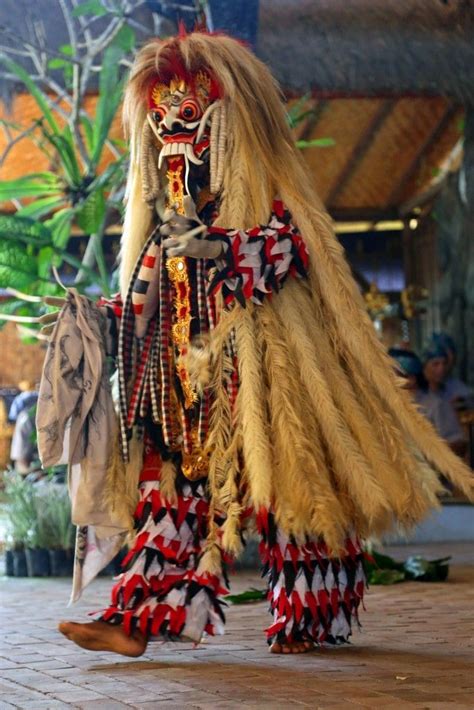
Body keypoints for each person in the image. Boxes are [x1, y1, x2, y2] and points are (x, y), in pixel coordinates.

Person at [37, 31, 473, 658]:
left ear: (223, 122)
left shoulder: (266, 201)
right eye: (161, 123)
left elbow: (286, 247)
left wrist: (217, 246)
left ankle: (312, 615)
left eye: (186, 117)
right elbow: (139, 310)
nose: (172, 136)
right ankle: (133, 621)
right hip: (187, 396)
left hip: (267, 390)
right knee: (173, 504)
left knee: (292, 505)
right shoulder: (164, 227)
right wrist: (87, 322)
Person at [389, 347, 467, 458]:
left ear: (411, 379)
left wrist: (426, 455)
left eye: (393, 375)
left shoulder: (436, 405)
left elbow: (459, 445)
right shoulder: (390, 405)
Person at [430, 332, 473, 406]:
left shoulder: (456, 386)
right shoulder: (417, 387)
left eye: (445, 362)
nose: (442, 368)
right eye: (436, 363)